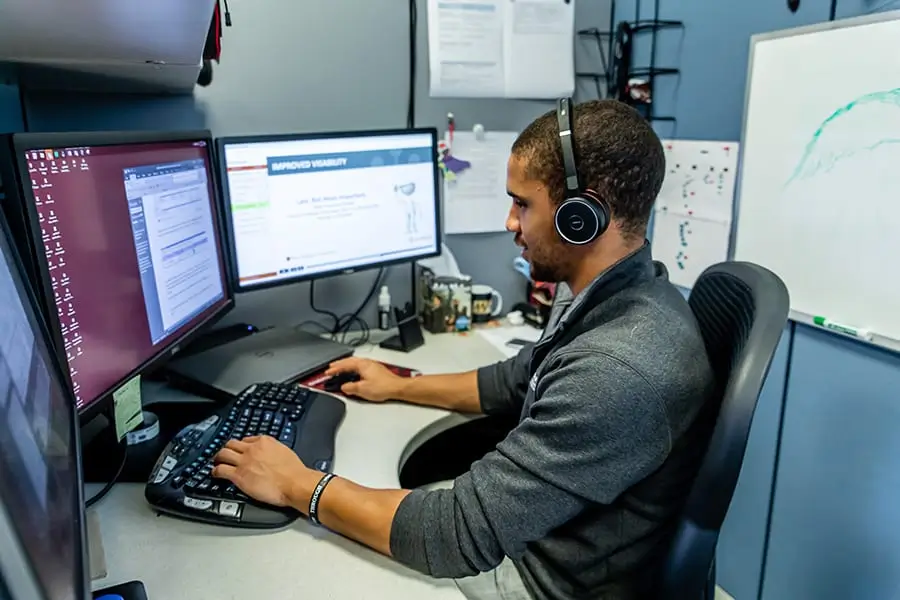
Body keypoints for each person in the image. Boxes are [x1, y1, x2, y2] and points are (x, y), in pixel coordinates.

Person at [212, 99, 716, 600]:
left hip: (542, 581)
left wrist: (296, 485)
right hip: (542, 535)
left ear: (581, 217)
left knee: (309, 569)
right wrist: (399, 385)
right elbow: (521, 378)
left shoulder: (617, 368)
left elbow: (453, 536)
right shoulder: (623, 293)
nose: (509, 221)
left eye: (523, 203)